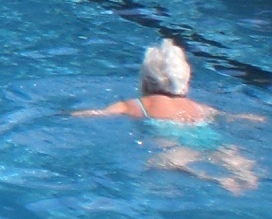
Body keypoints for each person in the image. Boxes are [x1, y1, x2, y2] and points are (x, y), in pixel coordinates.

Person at [76, 38, 261, 193]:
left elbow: (99, 113)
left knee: (159, 164)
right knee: (238, 163)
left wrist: (72, 114)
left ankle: (214, 179)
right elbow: (228, 116)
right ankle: (246, 177)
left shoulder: (135, 105)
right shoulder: (198, 107)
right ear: (186, 81)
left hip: (180, 145)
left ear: (145, 81)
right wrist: (253, 118)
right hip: (210, 139)